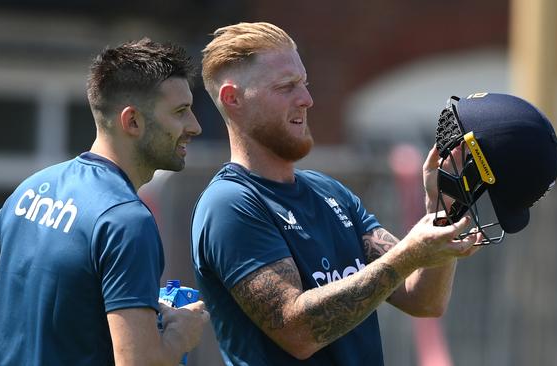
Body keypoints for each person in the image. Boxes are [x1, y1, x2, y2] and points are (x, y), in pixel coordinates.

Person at [191, 22, 481, 365]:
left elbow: (423, 300)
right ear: (233, 98)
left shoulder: (330, 193)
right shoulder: (230, 204)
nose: (306, 99)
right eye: (286, 87)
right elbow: (297, 332)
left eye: (304, 83)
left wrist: (443, 209)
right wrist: (407, 256)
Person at [0, 38, 209, 365]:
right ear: (133, 122)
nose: (194, 127)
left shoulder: (33, 189)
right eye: (180, 112)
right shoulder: (125, 221)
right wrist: (180, 333)